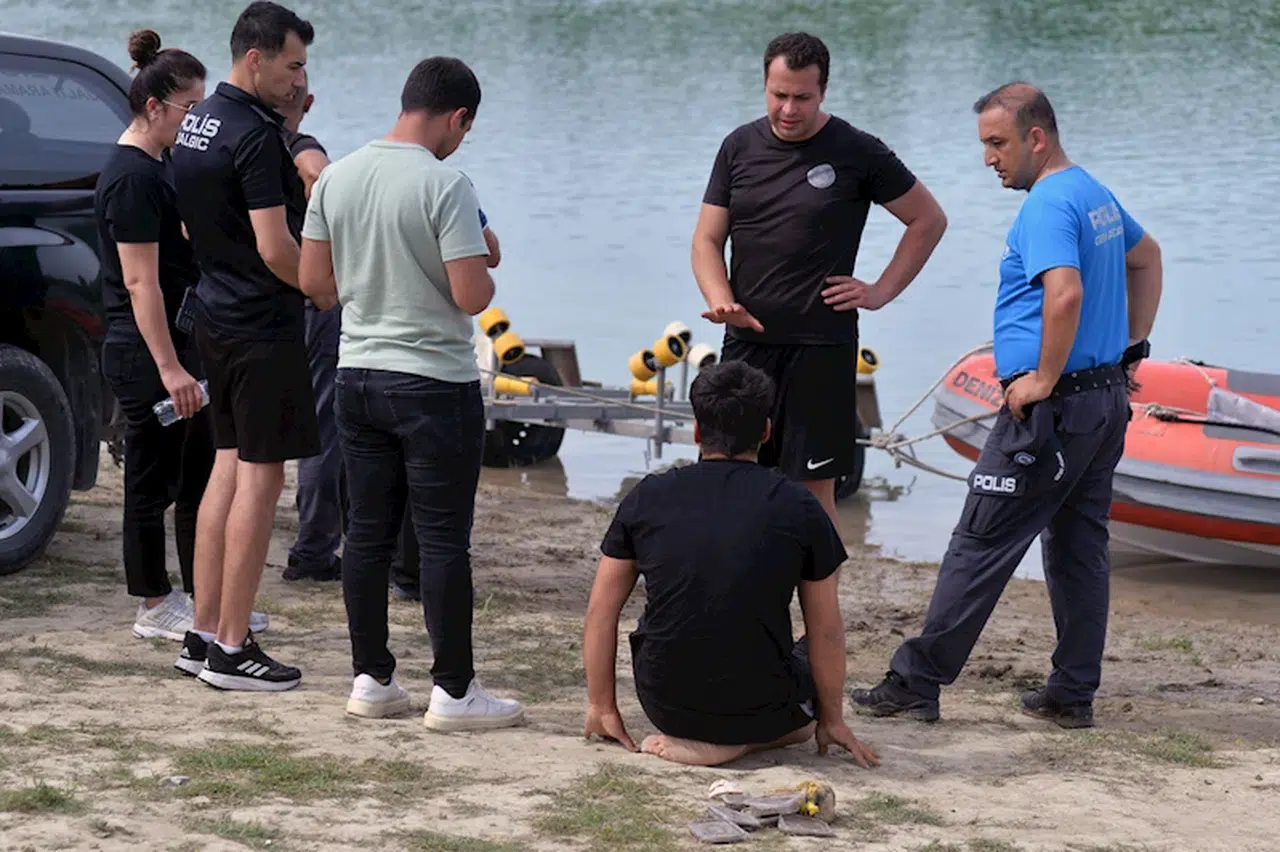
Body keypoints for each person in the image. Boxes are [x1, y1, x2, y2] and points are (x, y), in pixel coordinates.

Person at [851, 82, 1162, 728]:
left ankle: (915, 683)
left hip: (1053, 412)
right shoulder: (1092, 192)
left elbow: (1065, 294)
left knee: (979, 541)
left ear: (1036, 138)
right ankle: (1072, 693)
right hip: (1104, 402)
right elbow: (1148, 258)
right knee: (1079, 548)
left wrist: (1043, 378)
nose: (989, 158)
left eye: (997, 143)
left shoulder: (1048, 203)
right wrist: (1133, 347)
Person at [299, 56, 523, 730]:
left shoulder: (336, 177)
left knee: (366, 533)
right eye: (466, 129)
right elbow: (472, 294)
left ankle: (372, 679)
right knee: (443, 538)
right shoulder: (446, 183)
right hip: (433, 382)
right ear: (457, 117)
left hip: (357, 374)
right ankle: (454, 691)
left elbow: (314, 283)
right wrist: (480, 272)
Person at [691, 31, 947, 536]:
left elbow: (928, 220)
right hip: (746, 346)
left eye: (802, 97)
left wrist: (880, 291)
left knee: (812, 492)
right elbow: (706, 240)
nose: (789, 109)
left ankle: (821, 591)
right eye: (779, 95)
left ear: (823, 91)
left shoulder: (858, 151)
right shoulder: (738, 147)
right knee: (729, 480)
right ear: (765, 85)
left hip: (821, 349)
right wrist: (720, 300)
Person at [582, 360, 881, 769]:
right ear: (767, 432)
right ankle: (743, 743)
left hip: (665, 704)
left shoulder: (647, 495)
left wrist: (601, 707)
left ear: (697, 432)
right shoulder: (799, 505)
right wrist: (832, 720)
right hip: (758, 706)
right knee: (806, 692)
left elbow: (601, 611)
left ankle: (715, 737)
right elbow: (826, 630)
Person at [169, 0, 318, 691]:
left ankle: (202, 633)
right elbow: (276, 246)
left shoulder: (197, 122)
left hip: (213, 314)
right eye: (292, 65)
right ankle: (233, 647)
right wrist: (326, 289)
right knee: (261, 478)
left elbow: (192, 228)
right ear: (255, 58)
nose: (300, 78)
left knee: (225, 470)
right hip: (261, 323)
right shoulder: (255, 137)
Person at [95, 29, 211, 642]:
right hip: (143, 349)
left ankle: (198, 596)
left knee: (184, 473)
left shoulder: (159, 164)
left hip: (176, 337)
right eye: (191, 109)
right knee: (148, 479)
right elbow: (141, 284)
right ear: (154, 106)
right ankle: (153, 602)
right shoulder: (132, 177)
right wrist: (170, 369)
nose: (197, 121)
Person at [277, 71, 343, 583]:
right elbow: (318, 173)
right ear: (309, 102)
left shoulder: (237, 142)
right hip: (310, 300)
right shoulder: (297, 143)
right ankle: (314, 549)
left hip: (258, 305)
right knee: (324, 427)